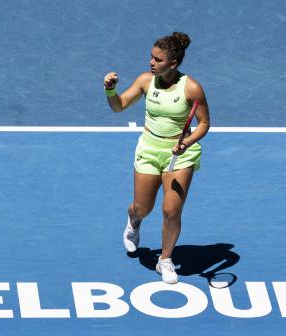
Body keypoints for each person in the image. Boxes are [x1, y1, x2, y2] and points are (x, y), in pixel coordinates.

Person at [103, 32, 210, 284]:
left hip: (181, 155)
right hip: (149, 150)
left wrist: (186, 143)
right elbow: (119, 106)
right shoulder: (145, 81)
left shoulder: (192, 88)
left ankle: (165, 259)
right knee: (143, 207)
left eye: (157, 60)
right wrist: (110, 91)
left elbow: (204, 124)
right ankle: (133, 219)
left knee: (171, 211)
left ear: (172, 64)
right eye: (151, 57)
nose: (151, 63)